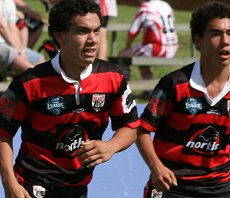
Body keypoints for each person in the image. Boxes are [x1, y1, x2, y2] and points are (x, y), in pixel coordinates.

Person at [136, 1, 230, 198]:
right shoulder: (175, 84)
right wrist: (156, 167)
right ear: (198, 40)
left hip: (219, 184)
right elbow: (142, 130)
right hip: (173, 183)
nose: (225, 41)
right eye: (216, 33)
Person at [0, 0, 139, 198]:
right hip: (32, 185)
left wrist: (111, 146)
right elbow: (2, 132)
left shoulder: (113, 78)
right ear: (60, 36)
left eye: (96, 30)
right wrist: (9, 183)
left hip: (78, 188)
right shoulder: (29, 82)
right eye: (83, 31)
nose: (93, 39)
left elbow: (131, 126)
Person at [119, 0, 178, 98]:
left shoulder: (145, 8)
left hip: (158, 48)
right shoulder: (166, 5)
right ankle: (149, 90)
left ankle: (124, 91)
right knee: (141, 55)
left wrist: (126, 48)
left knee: (123, 55)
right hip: (173, 47)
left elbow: (133, 31)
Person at [0, 0, 44, 67]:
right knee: (30, 69)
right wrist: (18, 51)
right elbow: (2, 28)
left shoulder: (9, 2)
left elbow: (12, 31)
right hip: (2, 45)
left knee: (40, 60)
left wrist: (21, 51)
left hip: (7, 44)